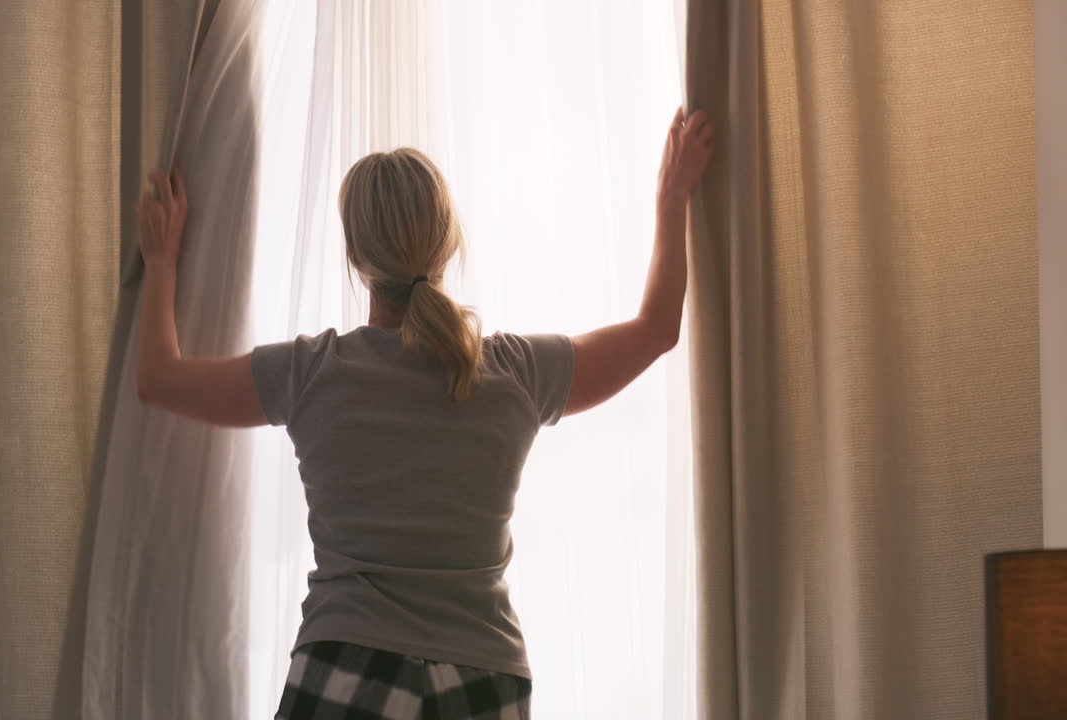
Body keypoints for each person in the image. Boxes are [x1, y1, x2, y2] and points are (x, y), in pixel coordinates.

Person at [134, 106, 715, 720]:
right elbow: (657, 329)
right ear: (448, 241)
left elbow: (158, 380)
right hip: (483, 678)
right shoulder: (515, 374)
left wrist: (162, 261)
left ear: (357, 259)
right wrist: (673, 194)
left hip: (346, 665)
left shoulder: (312, 375)